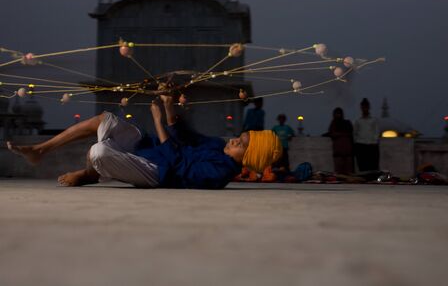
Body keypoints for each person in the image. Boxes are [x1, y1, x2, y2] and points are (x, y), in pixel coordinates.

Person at [7, 94, 282, 189]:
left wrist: (160, 120)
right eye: (240, 137)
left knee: (99, 151)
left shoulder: (219, 172)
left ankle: (89, 174)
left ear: (247, 157)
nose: (235, 139)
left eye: (241, 143)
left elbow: (177, 165)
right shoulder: (217, 146)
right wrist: (170, 107)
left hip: (156, 172)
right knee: (104, 119)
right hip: (153, 147)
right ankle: (40, 150)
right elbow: (187, 137)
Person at [324, 107, 354, 174]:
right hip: (338, 154)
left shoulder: (347, 123)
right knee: (339, 174)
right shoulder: (333, 124)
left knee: (348, 174)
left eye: (339, 113)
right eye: (337, 113)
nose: (338, 115)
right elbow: (332, 133)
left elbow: (350, 133)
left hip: (347, 153)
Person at [353, 98, 380, 171]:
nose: (365, 108)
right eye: (363, 107)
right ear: (361, 108)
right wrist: (357, 143)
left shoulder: (374, 120)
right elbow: (354, 133)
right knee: (362, 166)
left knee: (373, 166)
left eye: (366, 107)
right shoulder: (358, 121)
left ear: (368, 107)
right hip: (361, 146)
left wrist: (374, 142)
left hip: (372, 146)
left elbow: (377, 132)